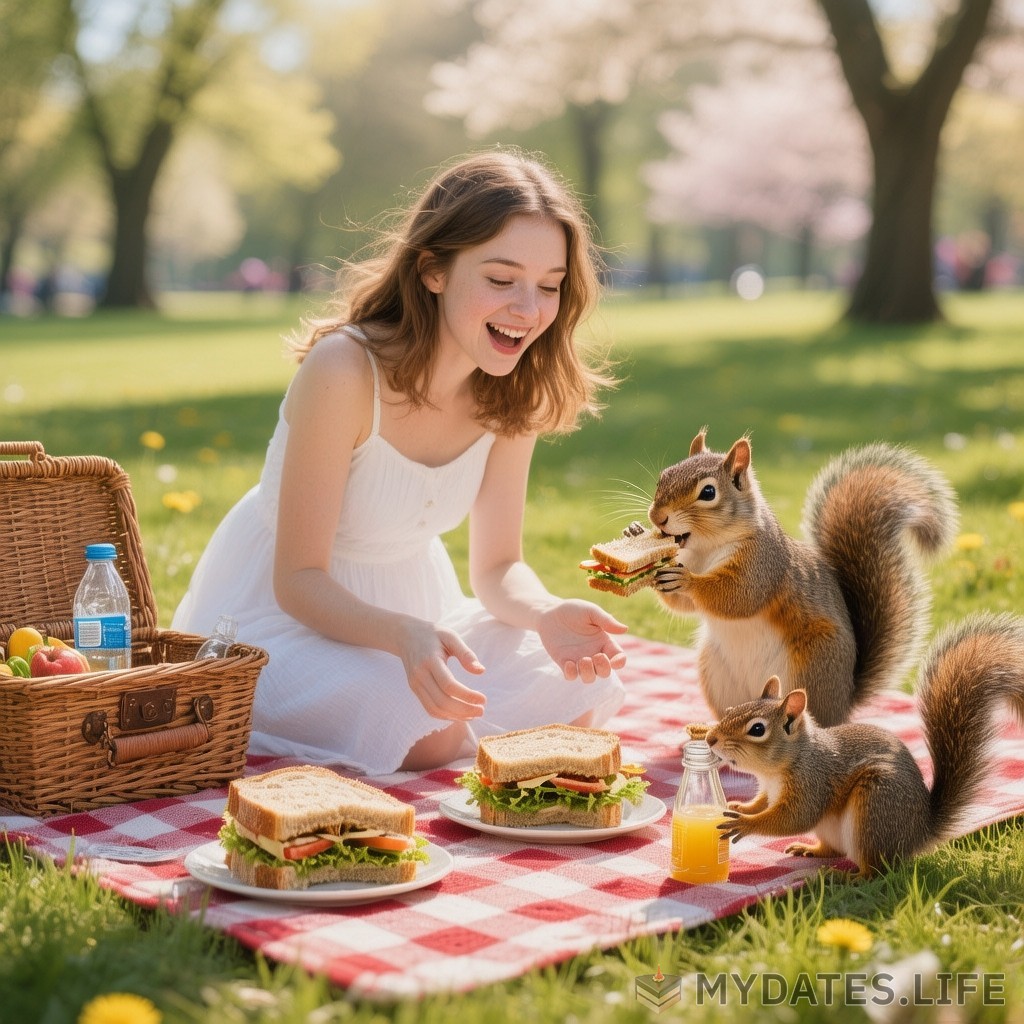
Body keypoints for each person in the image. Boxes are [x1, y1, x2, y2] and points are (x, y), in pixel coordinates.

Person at [172, 149, 628, 774]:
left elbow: (499, 567)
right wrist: (401, 637)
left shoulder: (513, 386)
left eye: (549, 286)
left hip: (415, 610)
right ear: (433, 270)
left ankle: (482, 753)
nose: (529, 310)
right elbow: (298, 579)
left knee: (577, 686)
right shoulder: (344, 371)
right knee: (428, 729)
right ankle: (463, 748)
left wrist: (545, 612)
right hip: (282, 618)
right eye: (501, 280)